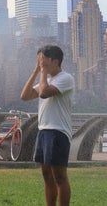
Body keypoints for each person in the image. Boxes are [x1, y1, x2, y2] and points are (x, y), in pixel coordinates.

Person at [20, 45, 74, 206]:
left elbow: (44, 93)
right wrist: (36, 71)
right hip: (43, 131)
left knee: (59, 176)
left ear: (55, 61)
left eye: (43, 60)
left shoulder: (65, 78)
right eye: (39, 60)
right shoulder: (47, 79)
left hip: (58, 132)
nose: (41, 63)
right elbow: (25, 96)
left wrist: (42, 72)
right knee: (46, 174)